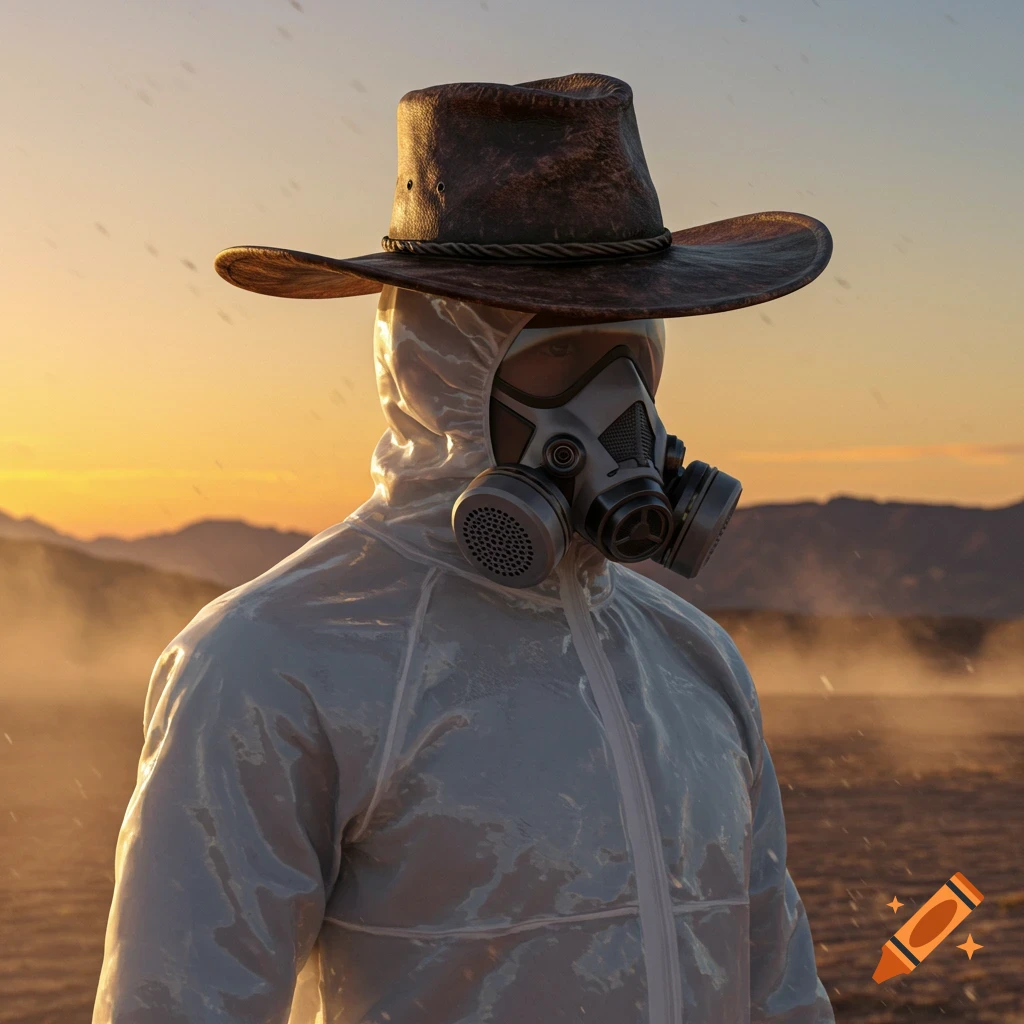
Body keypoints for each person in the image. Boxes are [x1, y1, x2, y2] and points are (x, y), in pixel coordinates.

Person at [94, 74, 835, 1024]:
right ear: (444, 368)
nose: (625, 417)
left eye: (632, 363)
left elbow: (779, 988)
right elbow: (179, 1002)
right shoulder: (270, 662)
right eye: (562, 354)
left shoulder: (694, 660)